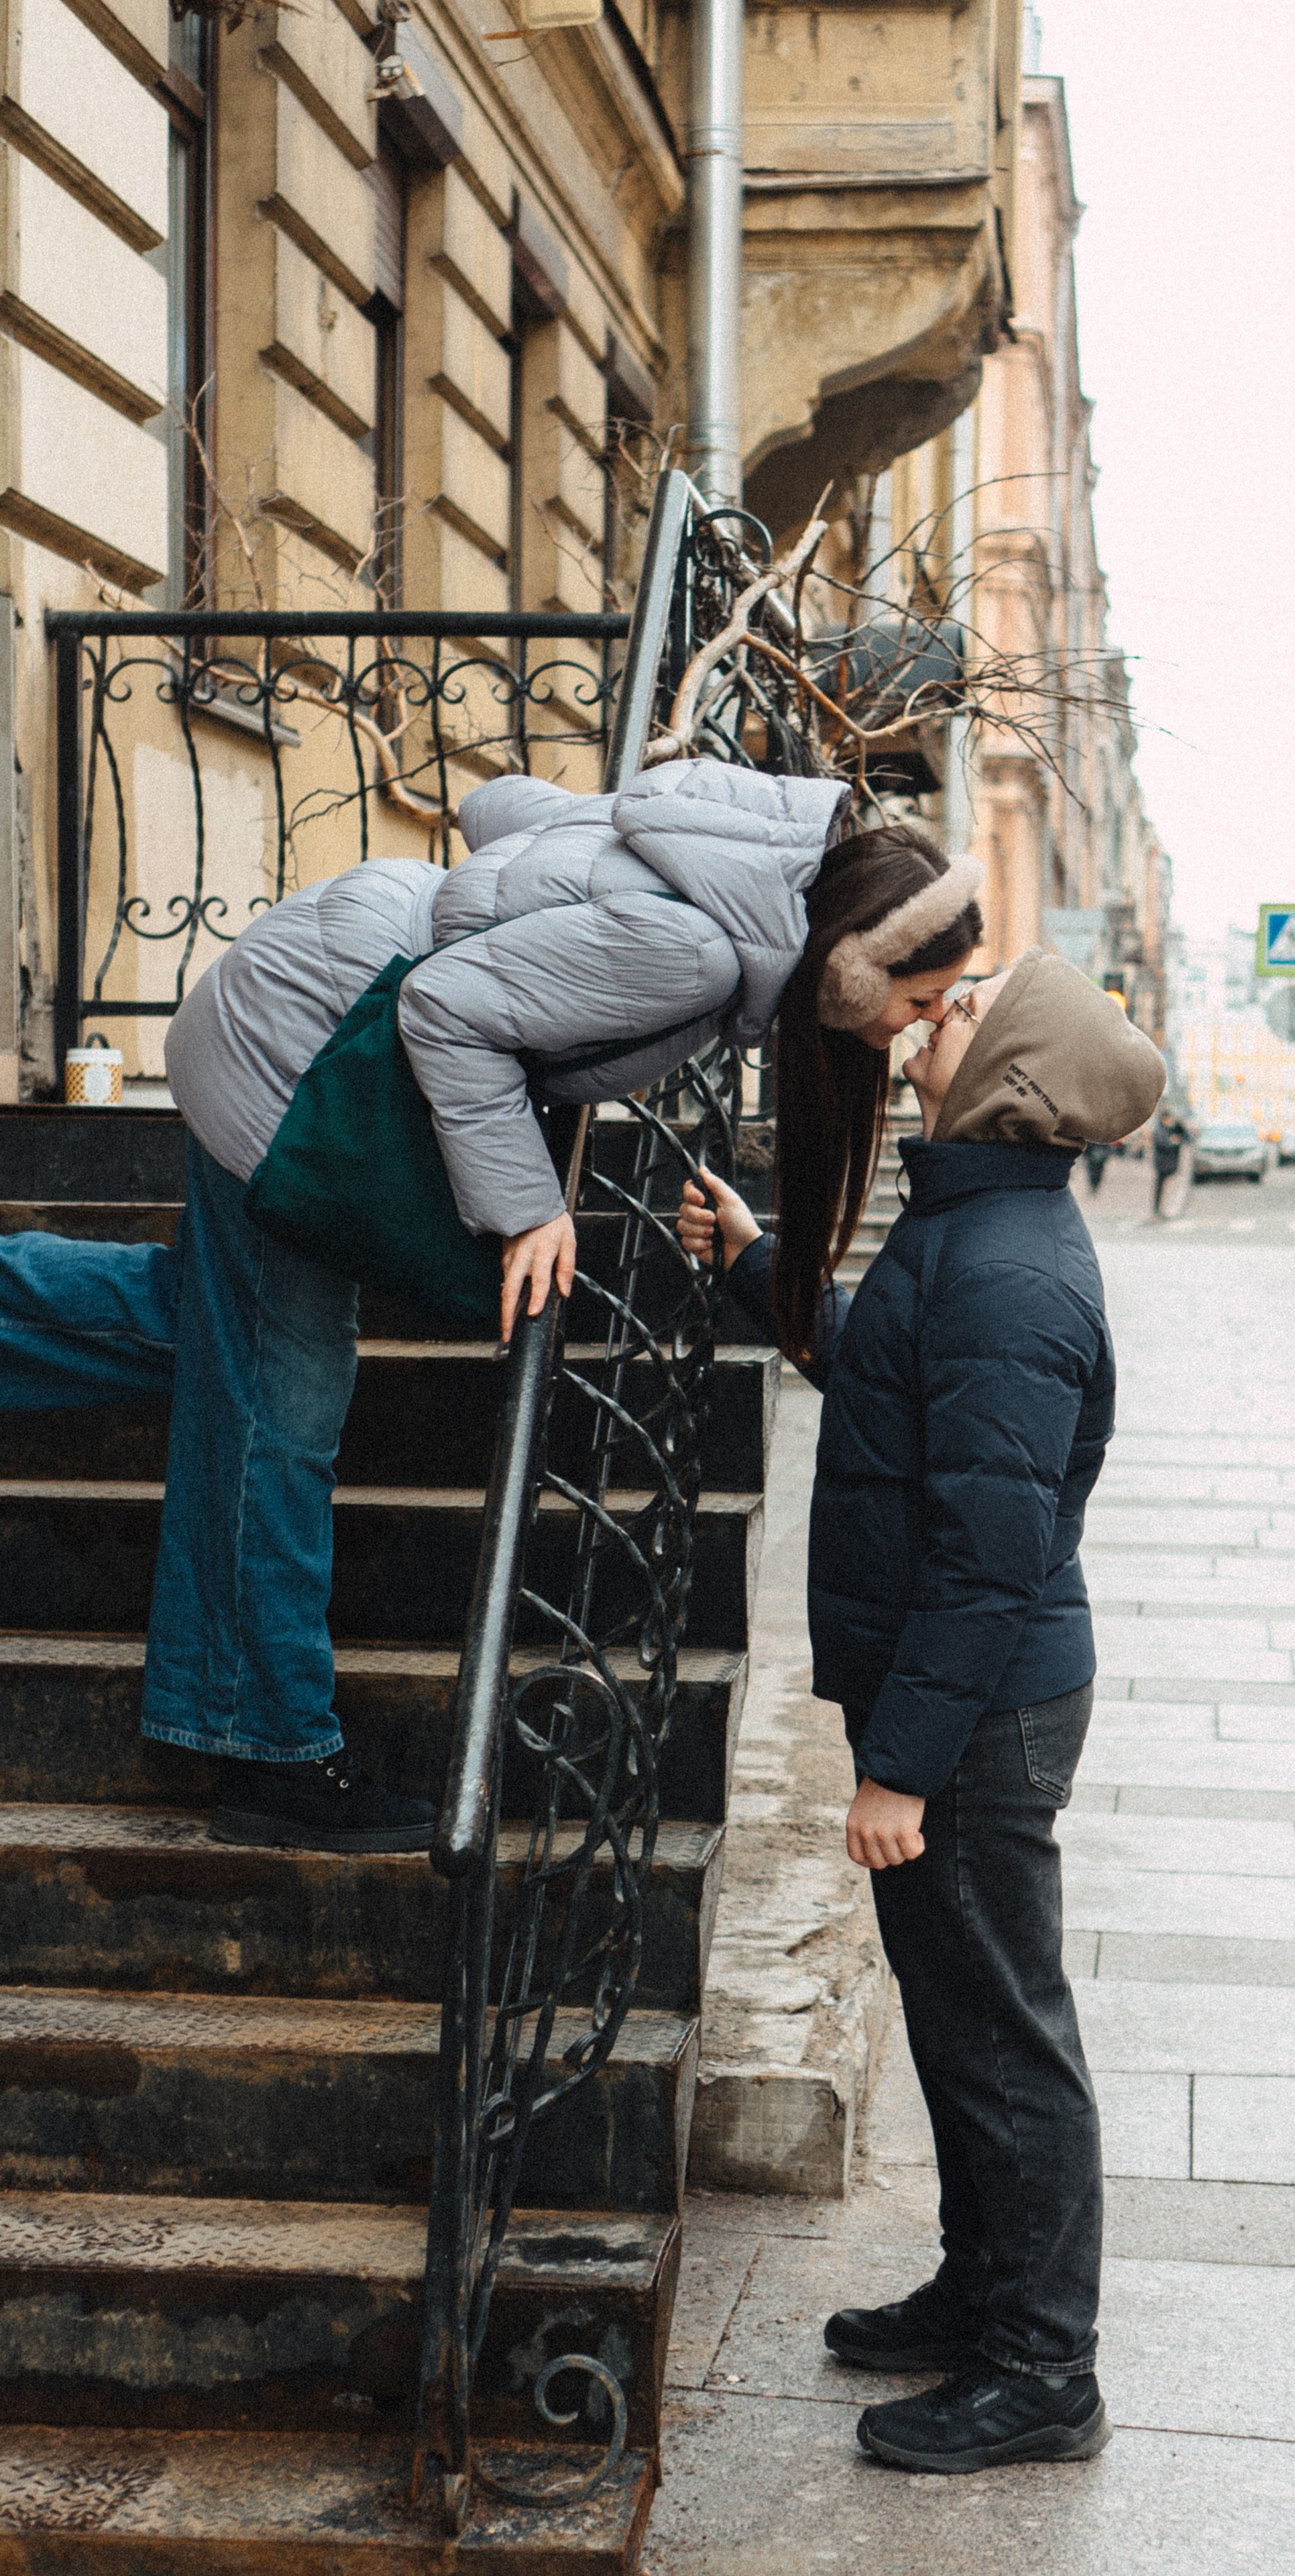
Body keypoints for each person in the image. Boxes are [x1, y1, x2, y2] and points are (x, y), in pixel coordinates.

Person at [0, 759, 983, 1854]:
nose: (920, 1024)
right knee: (284, 1406)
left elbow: (503, 807)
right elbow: (447, 1004)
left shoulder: (713, 859)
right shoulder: (700, 949)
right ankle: (266, 1746)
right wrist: (528, 1210)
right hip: (299, 1052)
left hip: (308, 990)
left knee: (217, 1335)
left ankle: (226, 1708)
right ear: (852, 964)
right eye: (920, 999)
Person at [678, 947, 1166, 2475]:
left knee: (1006, 2033)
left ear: (1007, 1069)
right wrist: (760, 1263)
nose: (931, 1016)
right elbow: (887, 1381)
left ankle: (1041, 2370)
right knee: (958, 2021)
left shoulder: (1009, 1267)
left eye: (962, 1011)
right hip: (956, 1699)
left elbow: (991, 1547)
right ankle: (983, 2287)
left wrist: (898, 1766)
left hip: (977, 1712)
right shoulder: (968, 1219)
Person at [1151, 1103, 1189, 1215]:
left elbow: (1186, 1136)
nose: (1171, 1122)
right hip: (1162, 1164)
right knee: (1161, 1187)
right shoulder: (1160, 1129)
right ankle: (1158, 1209)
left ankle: (1162, 1208)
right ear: (1165, 1119)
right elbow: (1163, 1142)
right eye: (1170, 1119)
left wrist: (1179, 1124)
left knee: (1165, 1186)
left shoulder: (1173, 1128)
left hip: (1170, 1164)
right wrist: (1173, 1142)